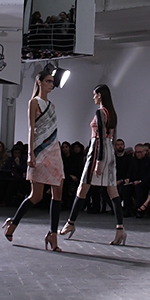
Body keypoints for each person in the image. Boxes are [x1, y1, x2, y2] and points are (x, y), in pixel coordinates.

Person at [2, 70, 65, 251]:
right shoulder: (34, 102)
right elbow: (31, 128)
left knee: (58, 193)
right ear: (39, 82)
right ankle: (13, 222)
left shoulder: (52, 106)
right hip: (39, 150)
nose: (51, 84)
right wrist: (30, 153)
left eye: (52, 82)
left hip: (54, 149)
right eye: (48, 81)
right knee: (36, 195)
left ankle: (53, 234)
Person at [60, 84, 127, 245]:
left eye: (95, 94)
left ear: (100, 95)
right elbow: (111, 137)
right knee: (112, 191)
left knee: (83, 187)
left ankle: (70, 223)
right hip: (109, 150)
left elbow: (100, 138)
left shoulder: (100, 112)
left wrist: (98, 161)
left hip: (98, 150)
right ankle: (120, 229)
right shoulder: (112, 113)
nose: (93, 97)